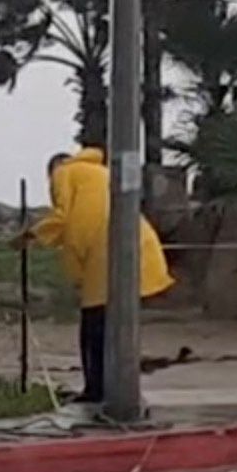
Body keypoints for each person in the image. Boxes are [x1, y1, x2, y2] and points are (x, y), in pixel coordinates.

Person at [32, 144, 173, 405]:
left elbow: (62, 217)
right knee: (114, 323)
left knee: (93, 327)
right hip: (135, 246)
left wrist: (31, 235)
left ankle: (97, 390)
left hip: (106, 252)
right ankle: (115, 387)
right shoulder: (100, 173)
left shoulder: (64, 172)